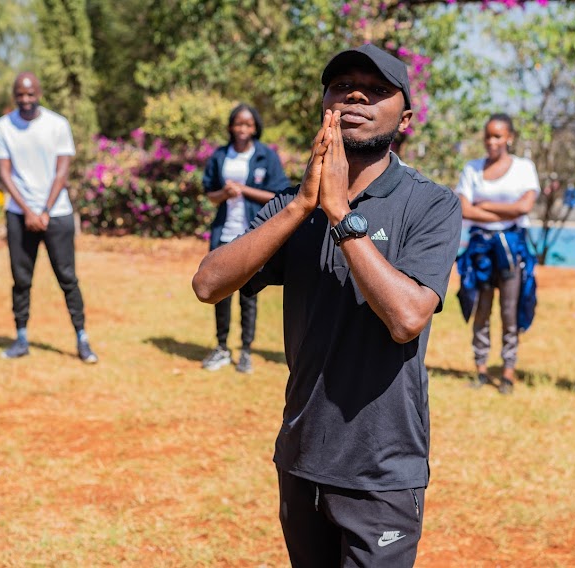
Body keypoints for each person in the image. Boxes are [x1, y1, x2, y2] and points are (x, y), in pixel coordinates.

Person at [192, 44, 461, 566]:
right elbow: (208, 284)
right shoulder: (294, 205)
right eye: (342, 87)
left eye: (376, 90)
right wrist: (302, 206)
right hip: (300, 456)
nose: (355, 96)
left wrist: (340, 214)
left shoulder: (430, 203)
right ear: (325, 107)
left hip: (382, 471)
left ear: (405, 118)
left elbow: (407, 318)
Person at [0, 72, 98, 363]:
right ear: (14, 96)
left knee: (67, 278)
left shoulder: (57, 124)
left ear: (39, 94)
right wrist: (28, 211)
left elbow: (62, 171)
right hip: (19, 215)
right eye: (20, 95)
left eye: (30, 94)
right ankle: (21, 338)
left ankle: (82, 339)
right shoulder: (2, 127)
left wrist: (45, 211)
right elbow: (4, 173)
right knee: (21, 280)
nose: (25, 100)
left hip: (56, 214)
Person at [200, 104, 289, 374]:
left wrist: (244, 189)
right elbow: (210, 194)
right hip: (223, 234)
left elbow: (280, 196)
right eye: (238, 123)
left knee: (249, 295)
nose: (243, 129)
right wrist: (225, 194)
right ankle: (221, 347)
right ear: (231, 127)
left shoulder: (266, 156)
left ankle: (246, 350)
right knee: (220, 294)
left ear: (255, 128)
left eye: (248, 124)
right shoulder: (220, 156)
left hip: (251, 236)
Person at [454, 114, 539, 395]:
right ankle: (480, 369)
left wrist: (484, 205)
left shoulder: (524, 168)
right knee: (481, 310)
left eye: (498, 136)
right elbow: (463, 208)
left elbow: (524, 207)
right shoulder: (472, 168)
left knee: (509, 311)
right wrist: (506, 211)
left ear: (509, 138)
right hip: (481, 251)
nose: (492, 141)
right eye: (488, 136)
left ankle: (508, 372)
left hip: (512, 249)